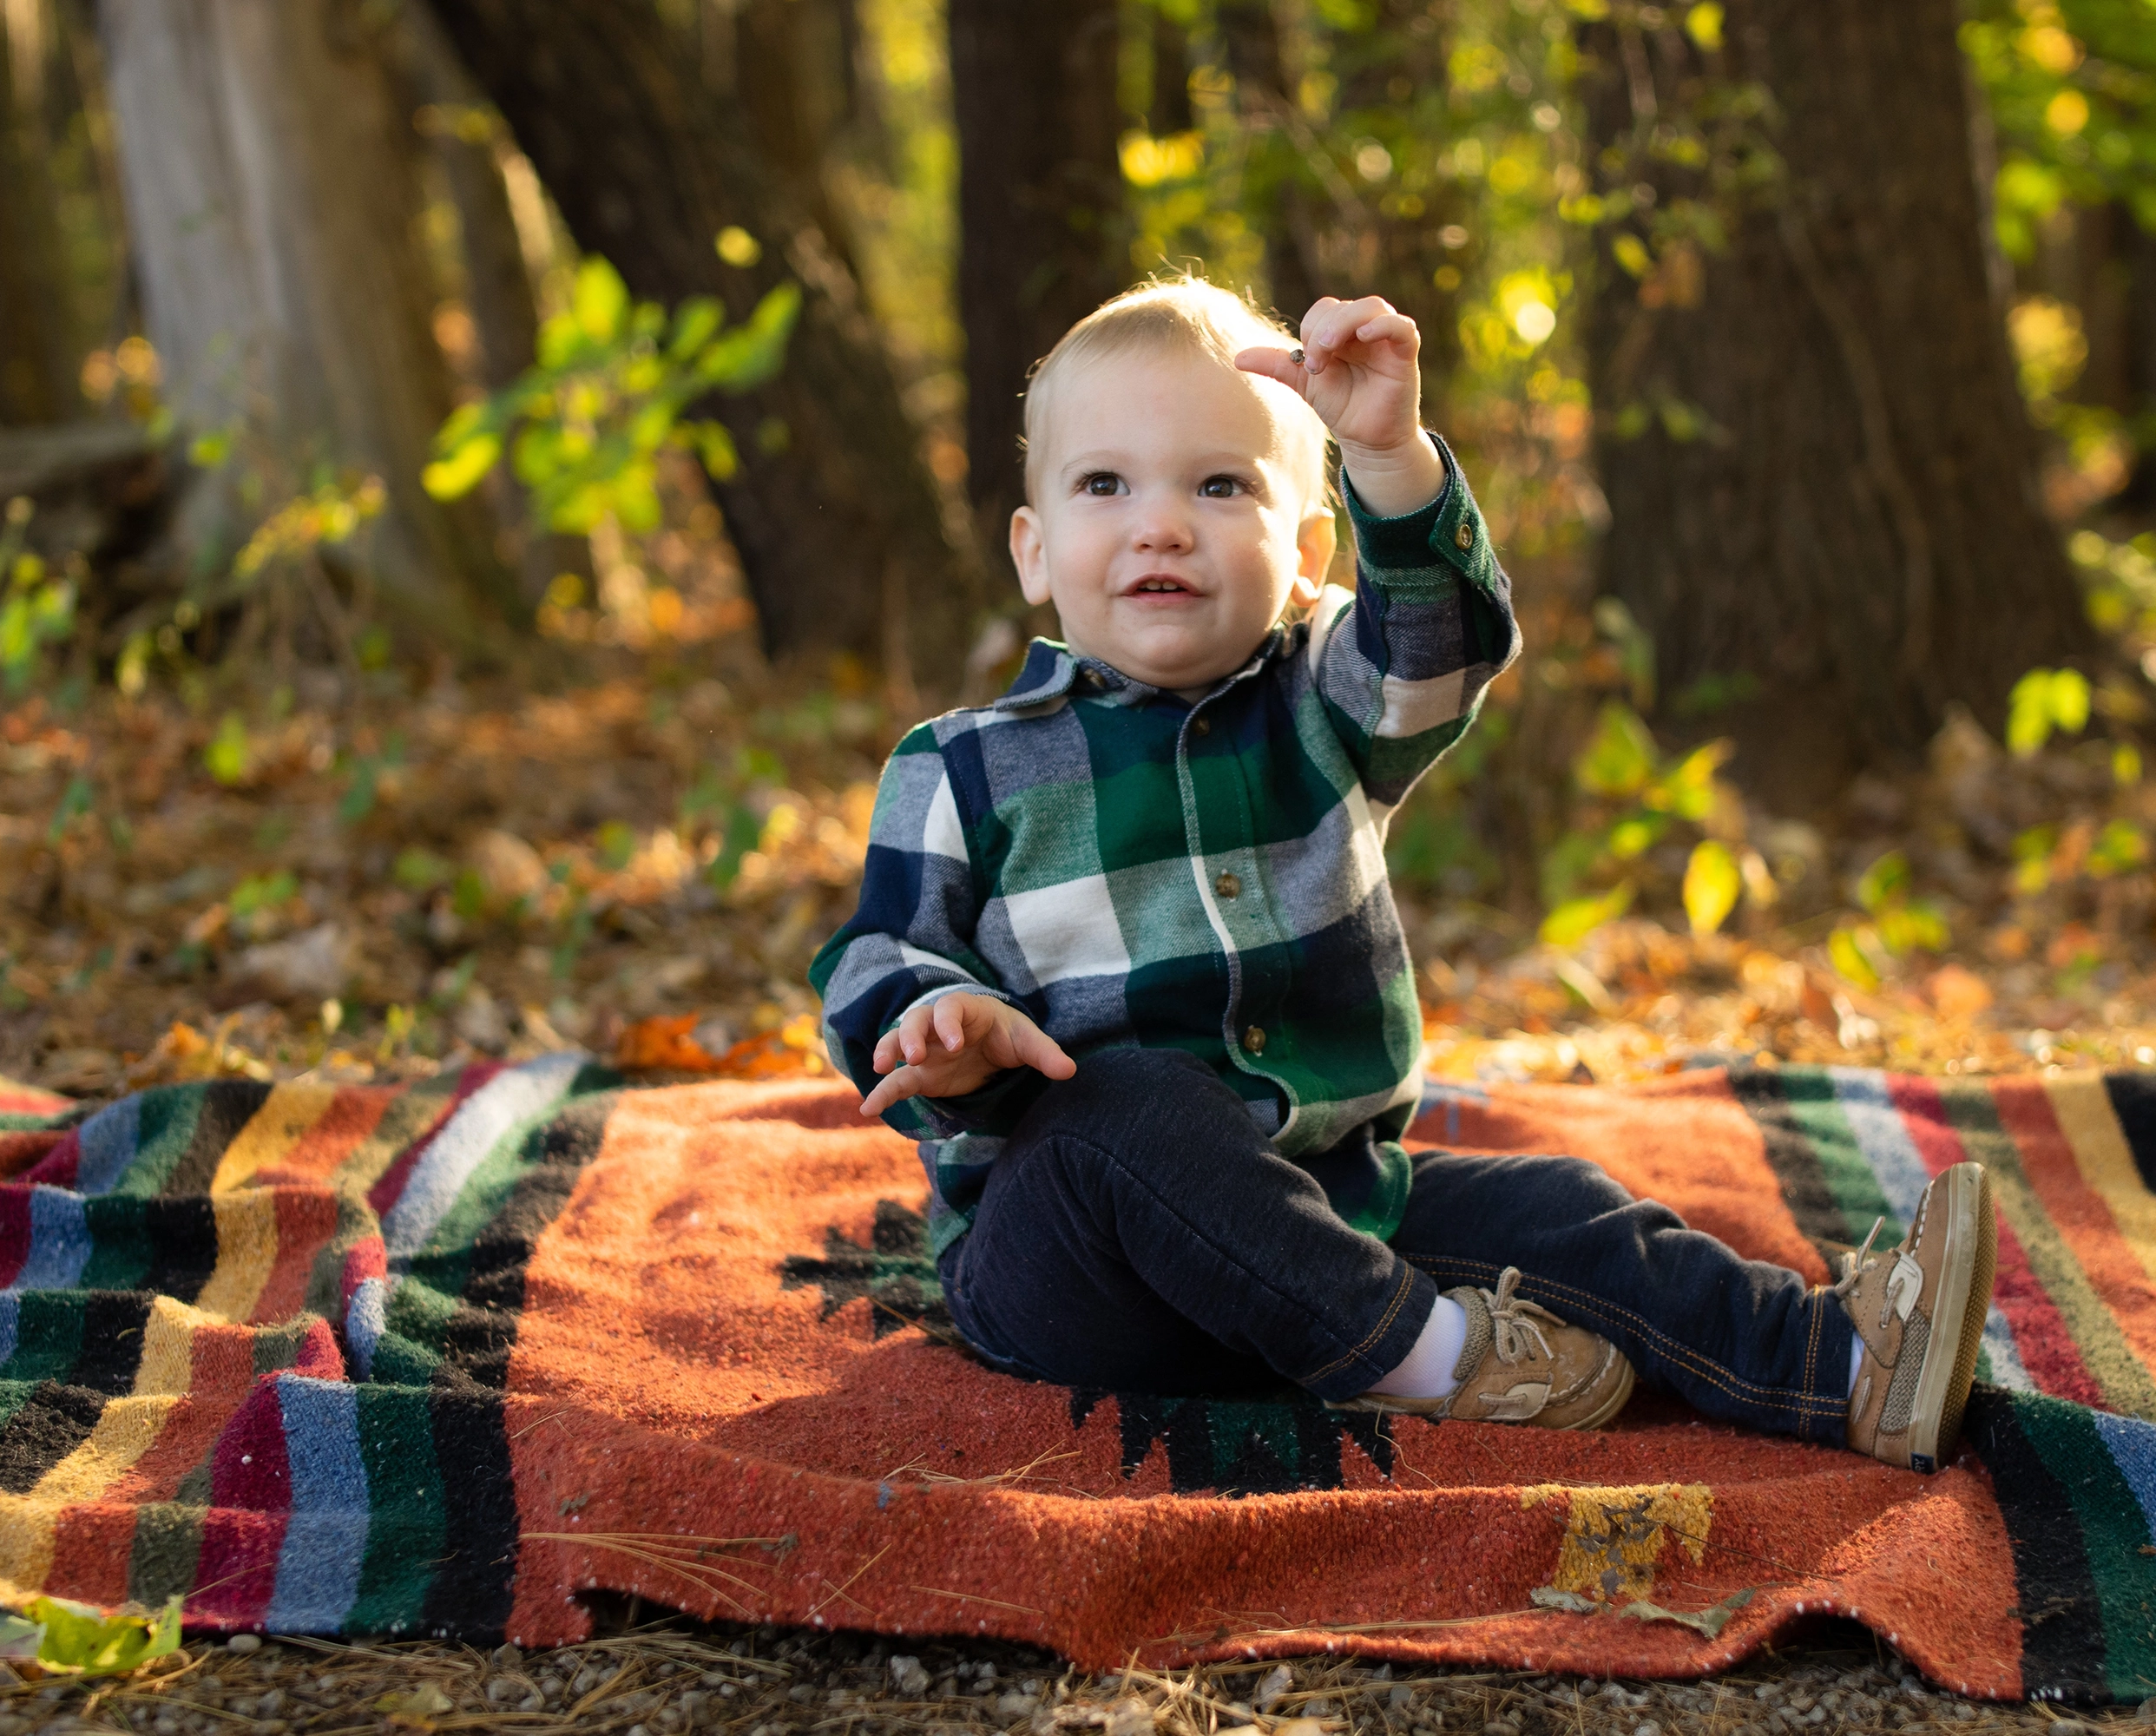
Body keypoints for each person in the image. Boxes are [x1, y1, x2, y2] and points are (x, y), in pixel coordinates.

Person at [810, 277, 1996, 1470]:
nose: (1159, 525)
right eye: (1103, 485)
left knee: (1556, 1208)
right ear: (1033, 550)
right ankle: (1430, 1361)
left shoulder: (1324, 698)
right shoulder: (961, 766)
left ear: (1305, 555)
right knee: (1126, 1109)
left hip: (1329, 1200)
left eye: (1220, 486)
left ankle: (1839, 1367)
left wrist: (1384, 452)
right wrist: (929, 1021)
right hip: (1077, 1269)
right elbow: (877, 950)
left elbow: (1441, 648)